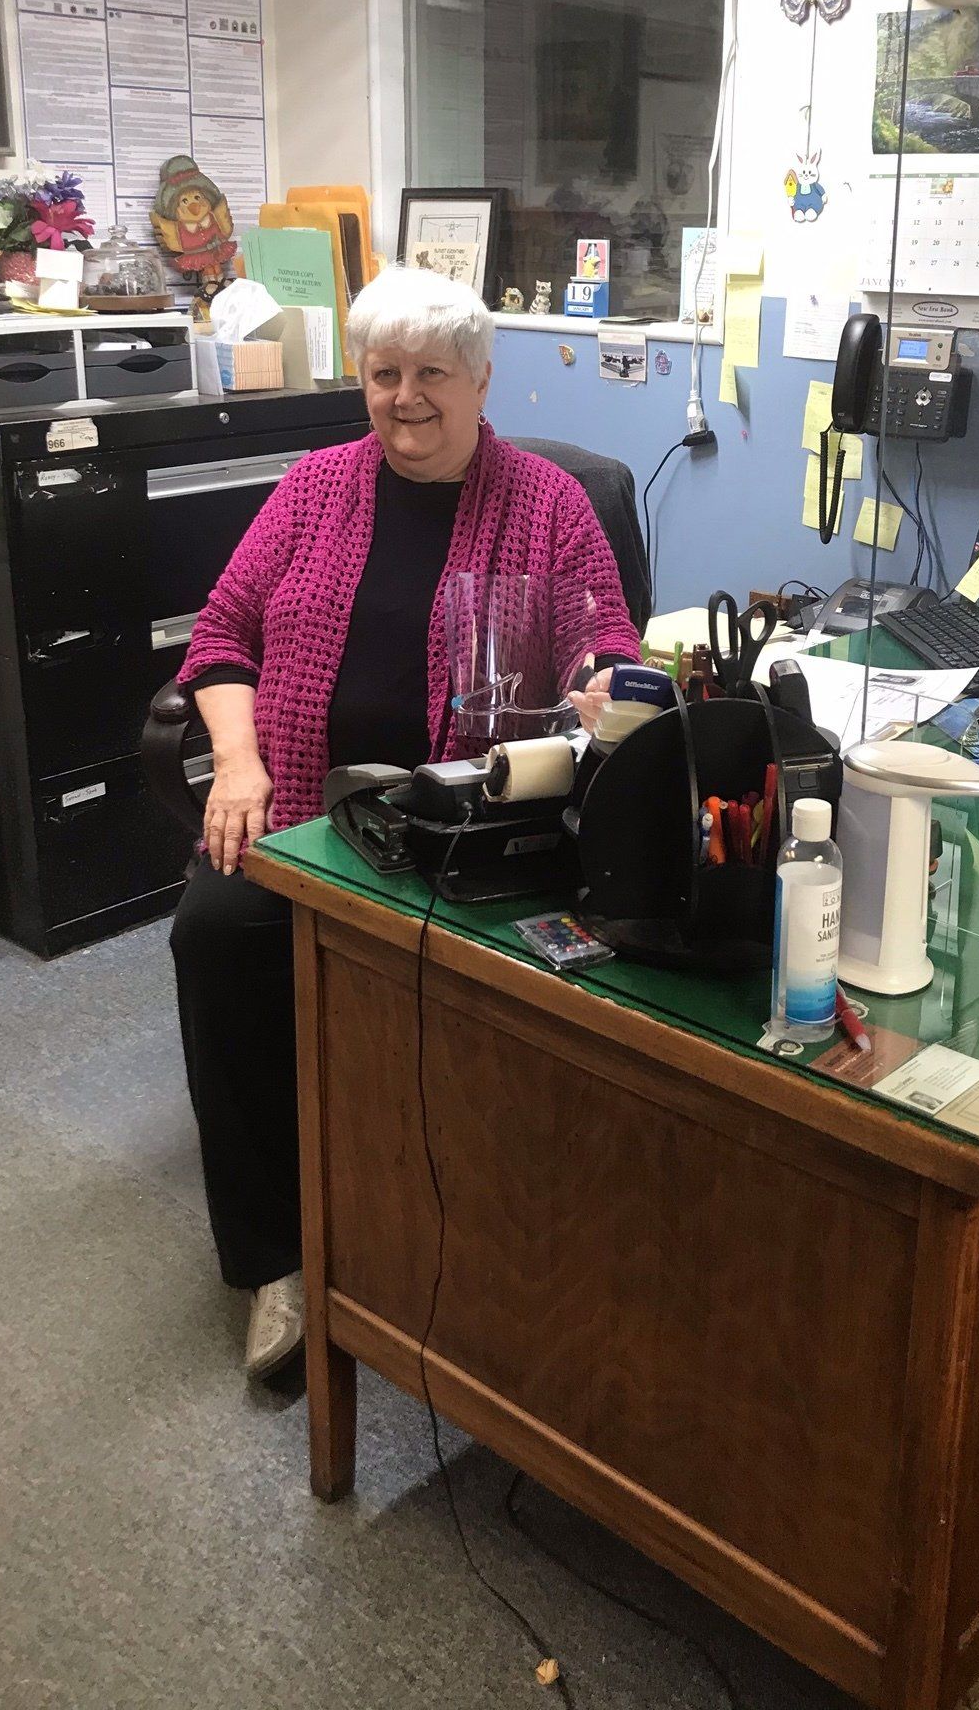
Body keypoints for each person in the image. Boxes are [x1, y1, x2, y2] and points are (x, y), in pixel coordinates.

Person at [169, 264, 641, 1379]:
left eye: (432, 372)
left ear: (482, 381)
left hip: (466, 813)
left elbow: (608, 640)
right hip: (296, 804)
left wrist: (603, 684)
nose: (405, 396)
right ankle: (273, 1260)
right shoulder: (317, 486)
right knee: (217, 938)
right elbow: (223, 634)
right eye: (384, 373)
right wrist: (233, 763)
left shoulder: (550, 503)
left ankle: (466, 1236)